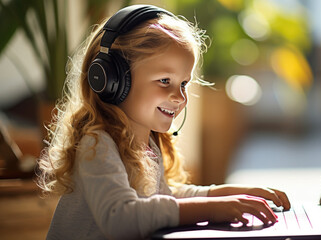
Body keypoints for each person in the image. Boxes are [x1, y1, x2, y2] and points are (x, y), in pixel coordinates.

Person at [37, 5, 290, 239]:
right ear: (112, 80)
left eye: (183, 84)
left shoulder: (146, 142)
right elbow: (120, 217)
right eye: (164, 81)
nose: (179, 97)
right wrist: (212, 209)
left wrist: (230, 194)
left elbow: (164, 198)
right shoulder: (97, 144)